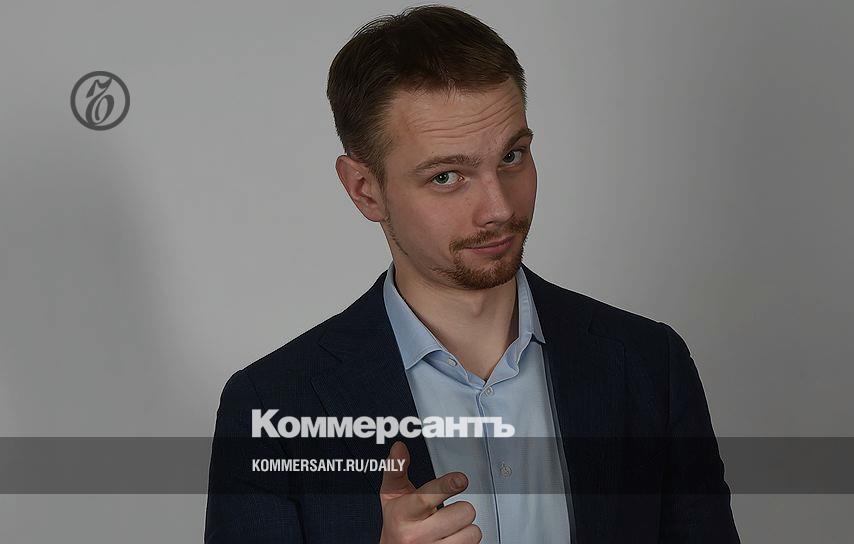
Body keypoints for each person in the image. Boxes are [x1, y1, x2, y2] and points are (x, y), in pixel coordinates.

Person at [205, 5, 740, 543]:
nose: (499, 209)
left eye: (512, 156)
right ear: (365, 190)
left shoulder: (651, 365)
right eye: (446, 176)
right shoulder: (271, 406)